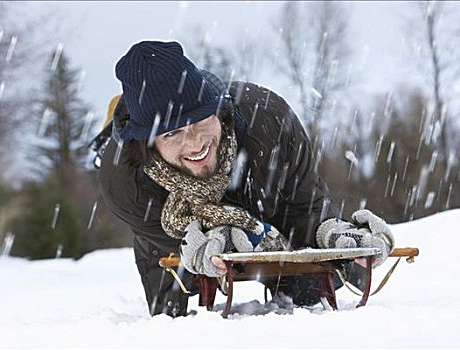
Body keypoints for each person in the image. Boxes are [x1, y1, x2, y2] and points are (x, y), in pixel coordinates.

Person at [97, 40, 394, 317]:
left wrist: (332, 235)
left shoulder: (269, 120)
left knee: (309, 290)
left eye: (200, 120)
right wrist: (219, 234)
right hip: (170, 211)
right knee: (179, 305)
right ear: (149, 141)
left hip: (259, 181)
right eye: (172, 133)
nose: (195, 143)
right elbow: (181, 238)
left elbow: (304, 207)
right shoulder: (123, 180)